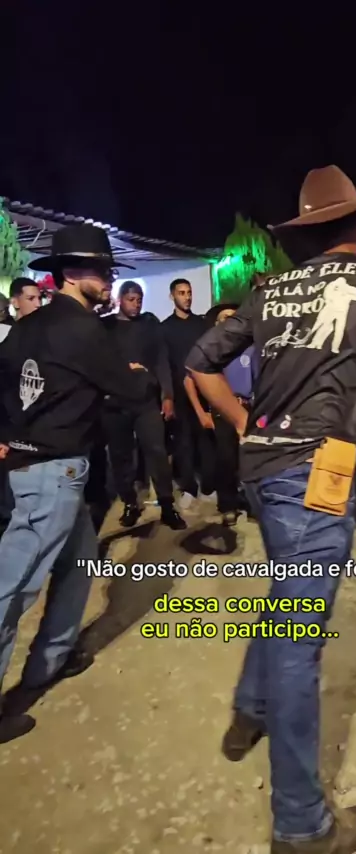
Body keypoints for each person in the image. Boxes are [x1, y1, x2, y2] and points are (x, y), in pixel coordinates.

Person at [186, 165, 356, 854]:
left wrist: (242, 424)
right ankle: (300, 825)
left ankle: (249, 710)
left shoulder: (269, 290)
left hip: (262, 469)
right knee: (298, 639)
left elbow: (200, 361)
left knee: (287, 595)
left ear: (306, 235)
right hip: (316, 473)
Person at [0, 224, 148, 743]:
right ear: (70, 273)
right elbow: (131, 388)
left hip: (37, 467)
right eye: (101, 271)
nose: (109, 280)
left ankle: (51, 660)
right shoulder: (86, 330)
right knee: (11, 588)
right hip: (53, 473)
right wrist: (136, 372)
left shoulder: (26, 327)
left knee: (81, 563)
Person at [101, 281, 185, 529]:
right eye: (131, 299)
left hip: (146, 400)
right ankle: (129, 502)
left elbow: (161, 360)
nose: (136, 304)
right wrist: (121, 370)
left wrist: (167, 396)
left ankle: (167, 505)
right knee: (121, 456)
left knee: (157, 452)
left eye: (139, 300)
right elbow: (95, 359)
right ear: (120, 299)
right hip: (115, 403)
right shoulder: (106, 326)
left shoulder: (149, 325)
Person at [191, 302, 257, 526]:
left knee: (249, 460)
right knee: (226, 459)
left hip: (249, 408)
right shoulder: (213, 352)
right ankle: (228, 505)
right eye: (224, 318)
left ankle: (250, 503)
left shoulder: (251, 347)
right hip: (223, 410)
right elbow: (191, 379)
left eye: (233, 317)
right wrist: (203, 411)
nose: (229, 321)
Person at [162, 278, 216, 510]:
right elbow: (163, 364)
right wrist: (167, 395)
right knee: (183, 443)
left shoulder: (202, 325)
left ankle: (208, 487)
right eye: (182, 293)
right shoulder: (165, 328)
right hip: (179, 394)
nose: (187, 297)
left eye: (189, 292)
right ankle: (188, 489)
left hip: (204, 391)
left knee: (207, 441)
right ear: (172, 296)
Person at [0, 279, 42, 534]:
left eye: (39, 298)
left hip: (38, 431)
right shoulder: (7, 338)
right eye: (31, 299)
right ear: (15, 302)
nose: (38, 304)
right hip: (11, 430)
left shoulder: (44, 335)